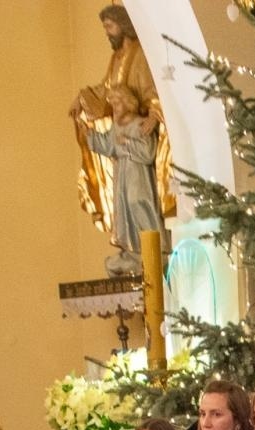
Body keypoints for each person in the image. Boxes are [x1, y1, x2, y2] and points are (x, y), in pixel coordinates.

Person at [68, 4, 173, 236]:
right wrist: (82, 99)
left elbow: (154, 89)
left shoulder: (140, 54)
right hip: (122, 142)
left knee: (138, 199)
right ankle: (134, 248)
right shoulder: (116, 58)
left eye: (110, 26)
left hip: (139, 130)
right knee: (122, 202)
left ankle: (152, 246)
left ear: (123, 25)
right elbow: (106, 90)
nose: (107, 32)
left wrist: (155, 114)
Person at [83, 85, 163, 276]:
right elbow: (108, 146)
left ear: (127, 103)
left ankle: (153, 249)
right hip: (122, 177)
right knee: (124, 210)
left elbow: (148, 152)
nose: (115, 108)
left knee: (138, 203)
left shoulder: (141, 124)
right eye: (113, 105)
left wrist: (128, 142)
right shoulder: (116, 127)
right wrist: (89, 134)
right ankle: (134, 252)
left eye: (117, 103)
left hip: (138, 175)